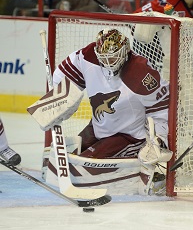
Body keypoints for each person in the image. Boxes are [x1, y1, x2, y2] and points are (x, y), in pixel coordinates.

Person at [44, 28, 171, 194]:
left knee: (84, 165)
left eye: (113, 56)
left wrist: (159, 140)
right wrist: (60, 100)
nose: (109, 61)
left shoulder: (140, 72)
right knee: (65, 156)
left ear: (125, 51)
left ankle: (153, 175)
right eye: (104, 57)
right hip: (98, 128)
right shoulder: (88, 56)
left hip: (129, 136)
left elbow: (163, 108)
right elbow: (63, 75)